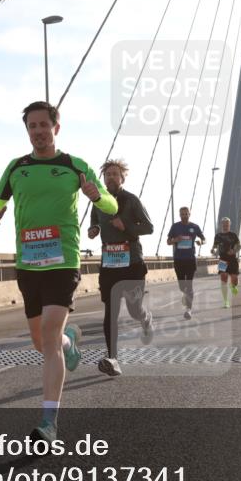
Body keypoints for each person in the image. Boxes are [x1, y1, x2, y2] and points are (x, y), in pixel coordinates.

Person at [0, 100, 118, 443]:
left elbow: (110, 204)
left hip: (63, 260)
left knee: (49, 329)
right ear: (27, 130)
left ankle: (48, 423)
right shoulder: (17, 167)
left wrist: (95, 196)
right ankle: (70, 343)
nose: (39, 131)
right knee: (41, 341)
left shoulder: (74, 165)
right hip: (29, 263)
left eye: (44, 125)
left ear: (56, 128)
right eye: (33, 126)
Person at [88, 158, 154, 377]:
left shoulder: (131, 200)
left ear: (122, 177)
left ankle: (145, 318)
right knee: (111, 312)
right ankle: (113, 358)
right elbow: (94, 222)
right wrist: (94, 230)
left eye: (115, 174)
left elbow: (149, 227)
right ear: (103, 179)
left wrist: (125, 226)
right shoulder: (98, 202)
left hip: (132, 263)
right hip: (109, 263)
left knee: (134, 309)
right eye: (107, 174)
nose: (111, 177)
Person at [166, 206, 205, 320]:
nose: (184, 216)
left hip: (190, 260)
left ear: (189, 214)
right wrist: (174, 240)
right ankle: (184, 294)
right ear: (180, 215)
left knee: (189, 285)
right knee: (182, 287)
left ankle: (189, 310)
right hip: (178, 260)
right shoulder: (175, 227)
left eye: (186, 214)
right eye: (182, 214)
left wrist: (200, 241)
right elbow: (168, 241)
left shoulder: (194, 227)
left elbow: (204, 238)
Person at [211, 217, 241, 309]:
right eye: (224, 224)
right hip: (223, 259)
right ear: (221, 225)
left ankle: (233, 286)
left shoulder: (233, 235)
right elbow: (215, 246)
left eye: (227, 224)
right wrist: (213, 250)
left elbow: (239, 245)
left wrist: (234, 250)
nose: (225, 226)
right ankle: (226, 301)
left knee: (234, 279)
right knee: (223, 278)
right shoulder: (218, 236)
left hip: (232, 259)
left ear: (229, 225)